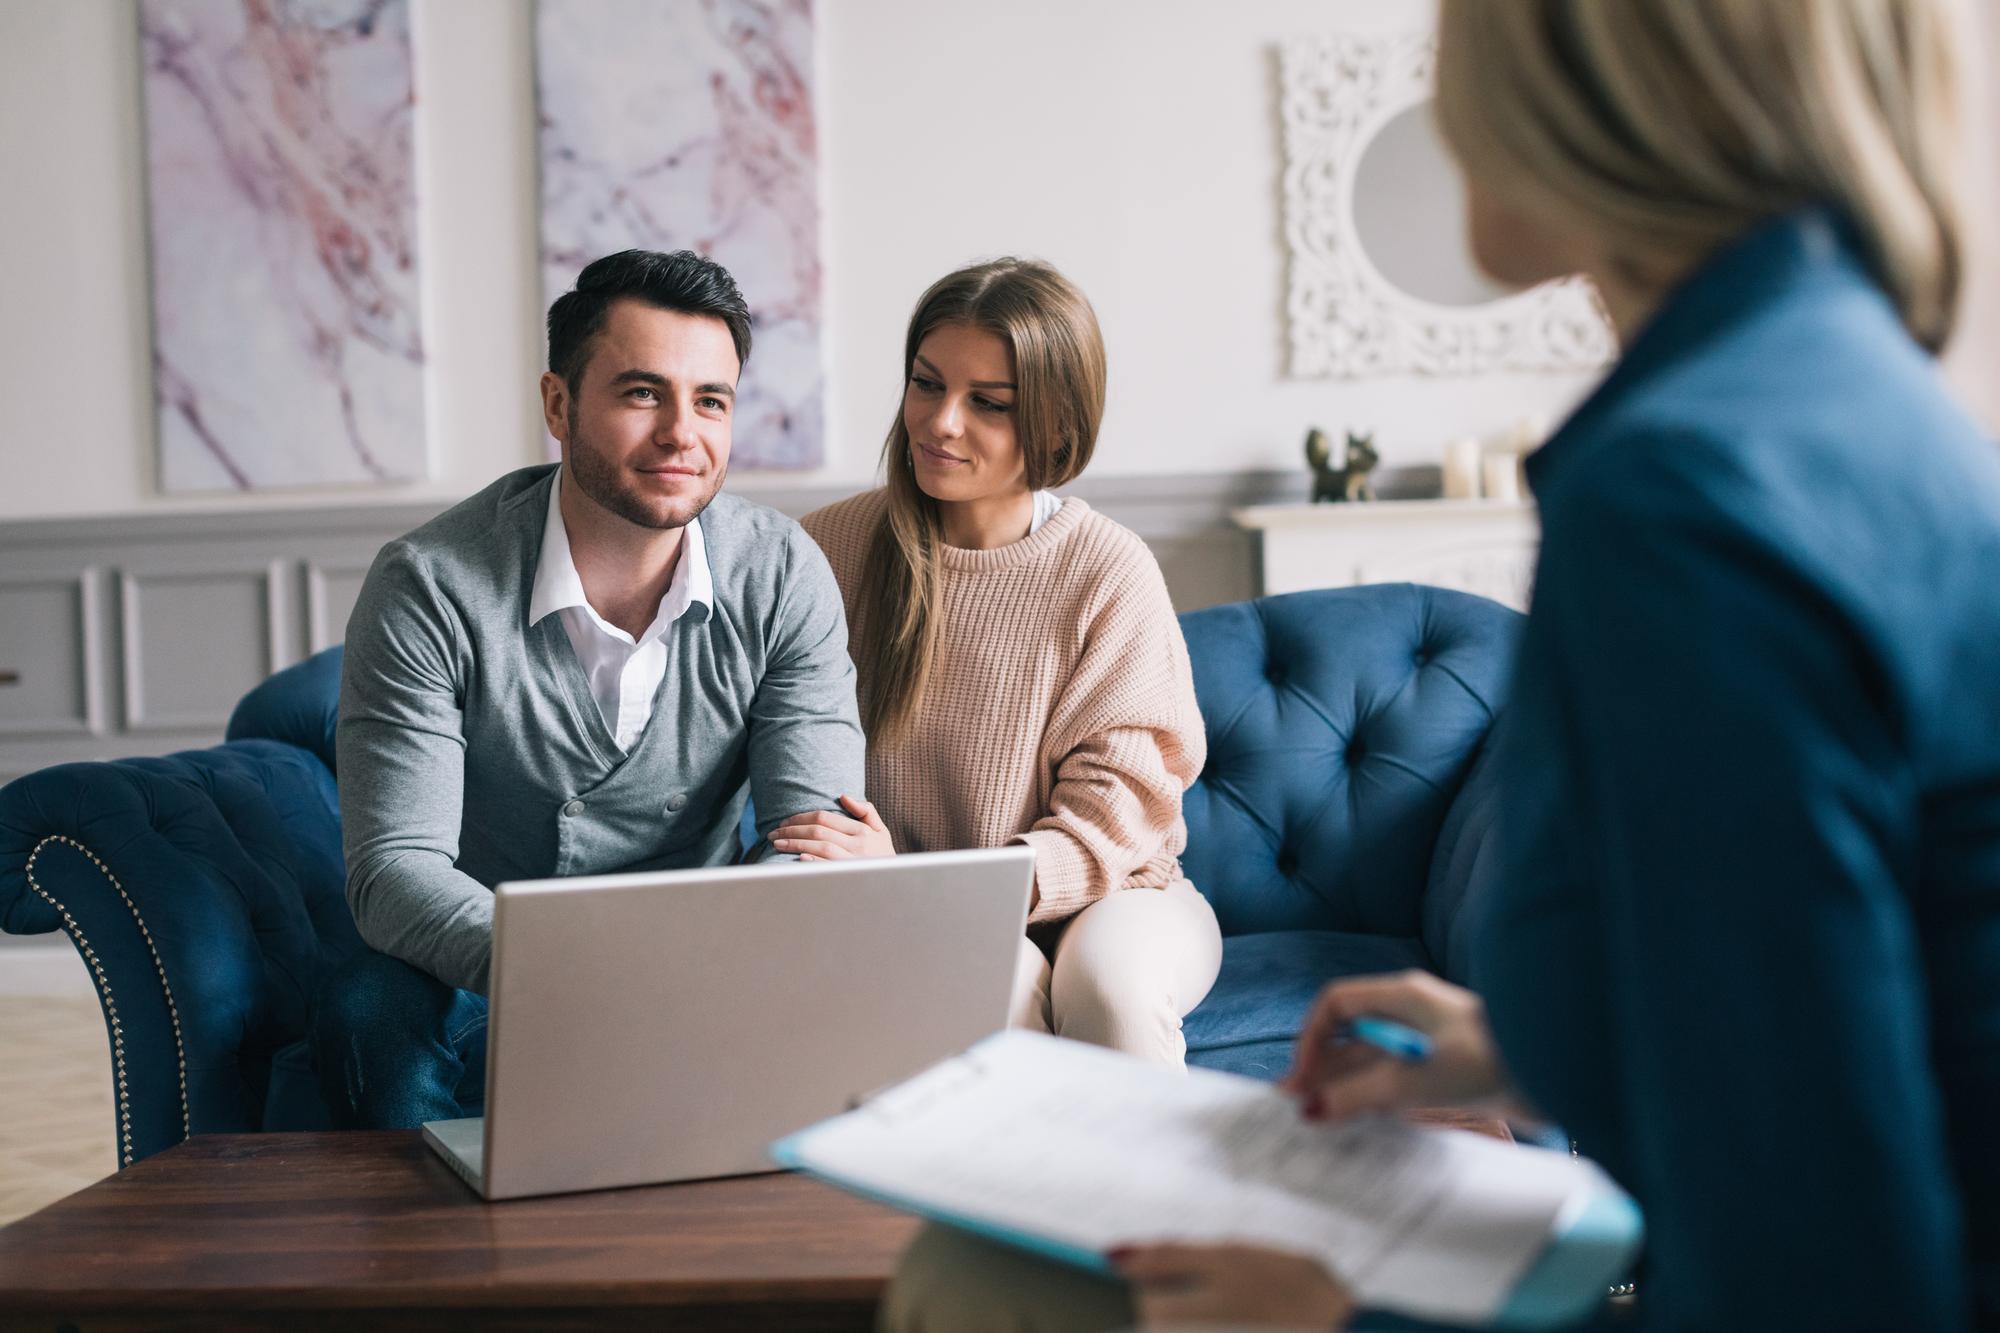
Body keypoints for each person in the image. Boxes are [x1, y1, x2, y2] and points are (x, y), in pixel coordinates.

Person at [891, 0, 2000, 1328]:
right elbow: (1808, 1022)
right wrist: (1517, 1049)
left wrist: (1336, 1315)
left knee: (968, 1278)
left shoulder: (1686, 495)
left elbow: (1818, 1251)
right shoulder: (1831, 393)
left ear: (1584, 94)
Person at [314, 249, 864, 1129]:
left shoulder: (783, 572)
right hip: (483, 956)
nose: (682, 433)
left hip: (709, 951)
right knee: (369, 1015)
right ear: (559, 404)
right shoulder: (429, 585)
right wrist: (588, 970)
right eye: (643, 393)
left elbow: (816, 838)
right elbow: (397, 871)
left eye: (711, 400)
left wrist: (712, 959)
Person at [774, 258, 1222, 1069]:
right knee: (988, 980)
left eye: (989, 402)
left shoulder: (1107, 568)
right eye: (926, 384)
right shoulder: (830, 548)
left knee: (1111, 991)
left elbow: (1113, 817)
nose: (940, 422)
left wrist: (938, 885)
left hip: (1122, 893)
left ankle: (1151, 1163)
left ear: (1055, 426)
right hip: (912, 901)